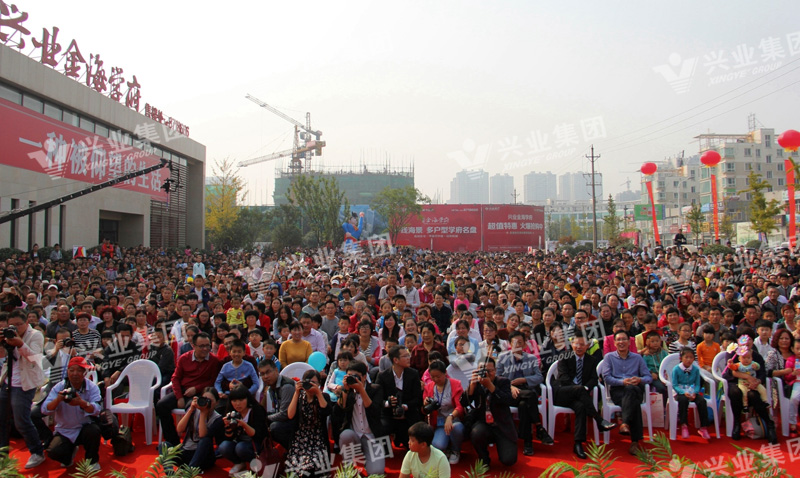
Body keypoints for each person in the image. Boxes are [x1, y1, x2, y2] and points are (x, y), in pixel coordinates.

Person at [552, 332, 616, 459]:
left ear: (587, 346)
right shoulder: (564, 356)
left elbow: (593, 379)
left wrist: (585, 388)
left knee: (581, 407)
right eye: (576, 344)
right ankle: (599, 420)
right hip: (563, 393)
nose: (579, 347)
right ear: (572, 344)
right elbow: (564, 378)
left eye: (582, 344)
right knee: (580, 390)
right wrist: (579, 389)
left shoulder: (591, 360)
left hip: (580, 397)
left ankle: (578, 443)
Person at [0, 308, 46, 469]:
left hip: (25, 383)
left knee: (21, 421)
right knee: (1, 419)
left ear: (27, 322)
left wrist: (20, 344)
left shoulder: (35, 335)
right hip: (8, 380)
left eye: (19, 324)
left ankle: (37, 452)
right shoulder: (7, 334)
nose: (16, 328)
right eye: (12, 325)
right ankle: (2, 453)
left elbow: (35, 358)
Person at [157, 332, 222, 446]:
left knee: (192, 410)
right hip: (182, 390)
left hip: (200, 393)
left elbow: (213, 381)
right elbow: (175, 378)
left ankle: (191, 442)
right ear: (193, 346)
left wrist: (196, 388)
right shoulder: (184, 358)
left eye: (207, 346)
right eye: (201, 346)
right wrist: (179, 397)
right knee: (161, 405)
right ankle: (173, 442)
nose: (205, 349)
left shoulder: (214, 360)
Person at [496, 331, 552, 456]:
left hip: (525, 390)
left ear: (525, 344)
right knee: (531, 396)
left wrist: (525, 380)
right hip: (510, 393)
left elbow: (539, 377)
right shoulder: (503, 358)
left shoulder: (531, 358)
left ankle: (528, 443)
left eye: (520, 342)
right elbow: (497, 378)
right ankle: (539, 427)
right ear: (510, 344)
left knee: (524, 405)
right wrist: (510, 386)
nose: (517, 345)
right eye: (514, 343)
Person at [40, 356, 102, 471]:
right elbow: (44, 409)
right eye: (71, 370)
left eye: (79, 370)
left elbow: (97, 410)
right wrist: (58, 400)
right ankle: (68, 455)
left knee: (94, 431)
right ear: (67, 371)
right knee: (54, 452)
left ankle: (92, 461)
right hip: (64, 430)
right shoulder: (59, 387)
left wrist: (82, 403)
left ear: (84, 373)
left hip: (84, 427)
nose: (75, 374)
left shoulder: (92, 387)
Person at [599, 330, 652, 455]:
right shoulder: (609, 357)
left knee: (631, 390)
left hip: (635, 388)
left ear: (629, 342)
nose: (621, 342)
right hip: (618, 390)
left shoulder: (637, 358)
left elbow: (648, 377)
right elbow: (607, 378)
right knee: (634, 401)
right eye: (618, 340)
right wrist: (622, 382)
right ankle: (635, 441)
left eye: (624, 339)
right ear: (614, 343)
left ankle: (625, 423)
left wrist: (639, 379)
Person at [461, 357, 517, 466]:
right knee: (476, 432)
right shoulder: (475, 383)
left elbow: (507, 400)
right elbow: (463, 403)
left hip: (501, 425)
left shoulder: (503, 382)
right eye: (483, 370)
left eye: (489, 370)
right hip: (484, 424)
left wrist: (490, 386)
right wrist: (472, 387)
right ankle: (484, 458)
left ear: (495, 370)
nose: (486, 373)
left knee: (509, 460)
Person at [334, 362, 385, 476]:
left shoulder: (375, 389)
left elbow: (374, 411)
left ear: (364, 376)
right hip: (354, 435)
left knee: (376, 472)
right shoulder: (347, 391)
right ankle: (348, 465)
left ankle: (368, 461)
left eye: (356, 376)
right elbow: (338, 412)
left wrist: (361, 390)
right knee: (345, 435)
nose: (353, 379)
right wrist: (345, 391)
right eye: (349, 376)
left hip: (371, 436)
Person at [285, 370, 331, 477]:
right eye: (308, 382)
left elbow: (326, 411)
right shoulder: (299, 397)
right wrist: (296, 392)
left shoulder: (324, 396)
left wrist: (318, 393)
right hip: (300, 438)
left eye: (314, 382)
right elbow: (290, 415)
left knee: (314, 465)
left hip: (318, 438)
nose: (310, 385)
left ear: (319, 384)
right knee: (298, 467)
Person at [376, 345, 422, 448]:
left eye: (408, 355)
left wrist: (405, 406)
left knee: (415, 435)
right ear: (395, 360)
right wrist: (388, 403)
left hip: (408, 415)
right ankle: (385, 450)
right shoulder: (382, 376)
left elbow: (418, 398)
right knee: (381, 428)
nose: (408, 358)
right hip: (388, 415)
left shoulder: (413, 374)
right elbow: (377, 399)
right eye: (405, 356)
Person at [218, 384, 267, 476]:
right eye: (234, 401)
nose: (238, 404)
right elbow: (228, 437)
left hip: (256, 444)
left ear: (247, 399)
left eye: (241, 400)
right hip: (239, 443)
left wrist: (244, 424)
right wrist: (228, 427)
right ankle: (239, 463)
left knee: (241, 448)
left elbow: (258, 435)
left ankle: (255, 466)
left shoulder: (256, 410)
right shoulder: (231, 413)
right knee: (223, 446)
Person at [422, 360, 465, 464]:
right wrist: (425, 404)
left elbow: (460, 407)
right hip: (439, 423)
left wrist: (451, 417)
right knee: (438, 445)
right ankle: (446, 448)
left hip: (454, 420)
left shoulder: (455, 384)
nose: (436, 379)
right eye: (433, 377)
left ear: (445, 373)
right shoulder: (429, 387)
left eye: (438, 376)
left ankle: (455, 450)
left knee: (457, 428)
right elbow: (424, 411)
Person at [671, 348, 711, 440]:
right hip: (680, 391)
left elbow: (697, 384)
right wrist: (682, 392)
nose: (688, 360)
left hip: (692, 391)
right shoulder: (676, 369)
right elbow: (674, 385)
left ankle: (703, 427)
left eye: (691, 357)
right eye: (686, 357)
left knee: (702, 401)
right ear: (681, 358)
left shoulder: (695, 370)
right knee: (683, 400)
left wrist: (695, 393)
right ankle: (684, 425)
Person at [257, 358, 297, 451]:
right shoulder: (271, 387)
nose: (265, 376)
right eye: (262, 374)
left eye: (268, 372)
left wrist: (266, 418)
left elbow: (285, 414)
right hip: (285, 418)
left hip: (296, 421)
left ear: (276, 370)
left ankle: (294, 450)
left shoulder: (286, 386)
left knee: (274, 427)